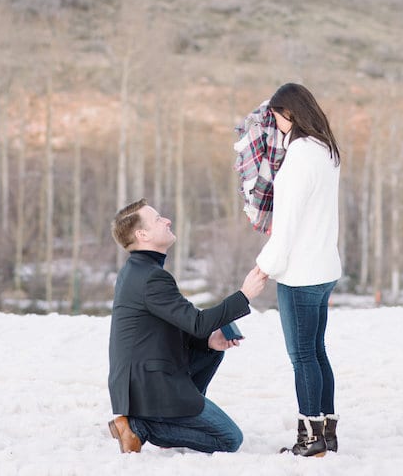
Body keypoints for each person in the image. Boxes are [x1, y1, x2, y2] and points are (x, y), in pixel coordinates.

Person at [107, 198, 267, 454]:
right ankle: (140, 427)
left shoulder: (138, 271)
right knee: (230, 439)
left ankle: (166, 417)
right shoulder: (151, 277)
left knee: (212, 350)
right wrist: (244, 295)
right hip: (150, 385)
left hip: (141, 381)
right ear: (142, 234)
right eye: (158, 219)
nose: (167, 220)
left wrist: (208, 341)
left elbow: (179, 326)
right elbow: (198, 322)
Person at [255, 83, 342, 457]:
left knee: (302, 355)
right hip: (324, 267)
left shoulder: (298, 159)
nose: (273, 124)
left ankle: (311, 439)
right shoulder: (326, 151)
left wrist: (263, 267)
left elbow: (286, 225)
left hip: (301, 273)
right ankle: (327, 431)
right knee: (317, 351)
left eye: (275, 116)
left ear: (288, 113)